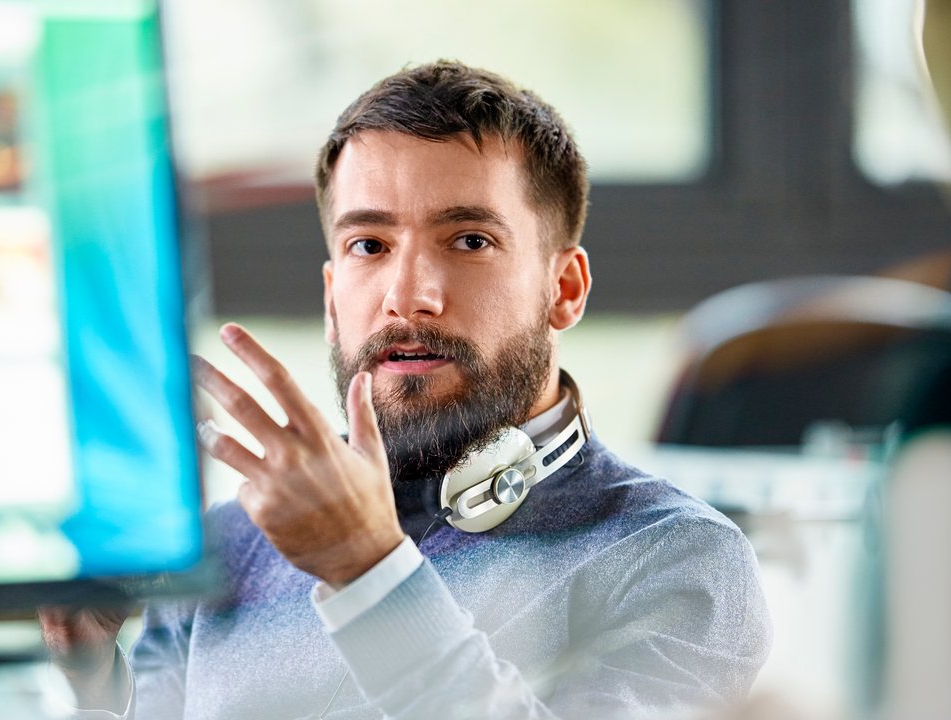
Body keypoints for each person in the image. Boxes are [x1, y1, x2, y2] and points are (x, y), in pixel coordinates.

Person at [40, 60, 771, 720]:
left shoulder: (680, 560)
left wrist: (369, 574)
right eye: (370, 246)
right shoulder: (230, 545)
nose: (408, 296)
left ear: (565, 288)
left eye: (469, 241)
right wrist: (98, 686)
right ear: (332, 300)